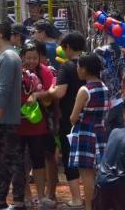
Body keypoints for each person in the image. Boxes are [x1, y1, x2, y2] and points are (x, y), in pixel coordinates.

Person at [0, 20, 26, 210]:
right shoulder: (5, 57)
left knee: (12, 161)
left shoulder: (9, 58)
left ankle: (18, 201)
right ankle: (0, 199)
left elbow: (4, 90)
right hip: (2, 118)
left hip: (5, 119)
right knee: (2, 162)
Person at [47, 32, 86, 209]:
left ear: (68, 48)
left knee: (71, 158)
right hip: (91, 117)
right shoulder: (92, 63)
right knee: (88, 160)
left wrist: (49, 90)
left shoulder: (68, 67)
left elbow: (60, 92)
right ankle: (89, 198)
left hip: (70, 118)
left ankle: (76, 199)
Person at [68, 54, 109, 210]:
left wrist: (78, 117)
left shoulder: (84, 90)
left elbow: (72, 117)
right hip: (100, 131)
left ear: (84, 69)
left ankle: (90, 206)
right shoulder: (104, 87)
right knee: (98, 171)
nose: (77, 69)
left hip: (85, 133)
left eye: (78, 66)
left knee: (86, 173)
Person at [20, 43, 55, 207]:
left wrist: (36, 94)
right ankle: (26, 195)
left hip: (38, 124)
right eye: (28, 58)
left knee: (38, 160)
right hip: (18, 124)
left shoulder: (45, 71)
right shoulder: (16, 70)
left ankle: (41, 196)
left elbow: (51, 91)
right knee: (21, 162)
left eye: (35, 58)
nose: (32, 61)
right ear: (22, 57)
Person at [94, 15, 125, 134]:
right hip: (119, 100)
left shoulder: (99, 52)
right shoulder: (123, 51)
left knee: (104, 141)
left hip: (104, 101)